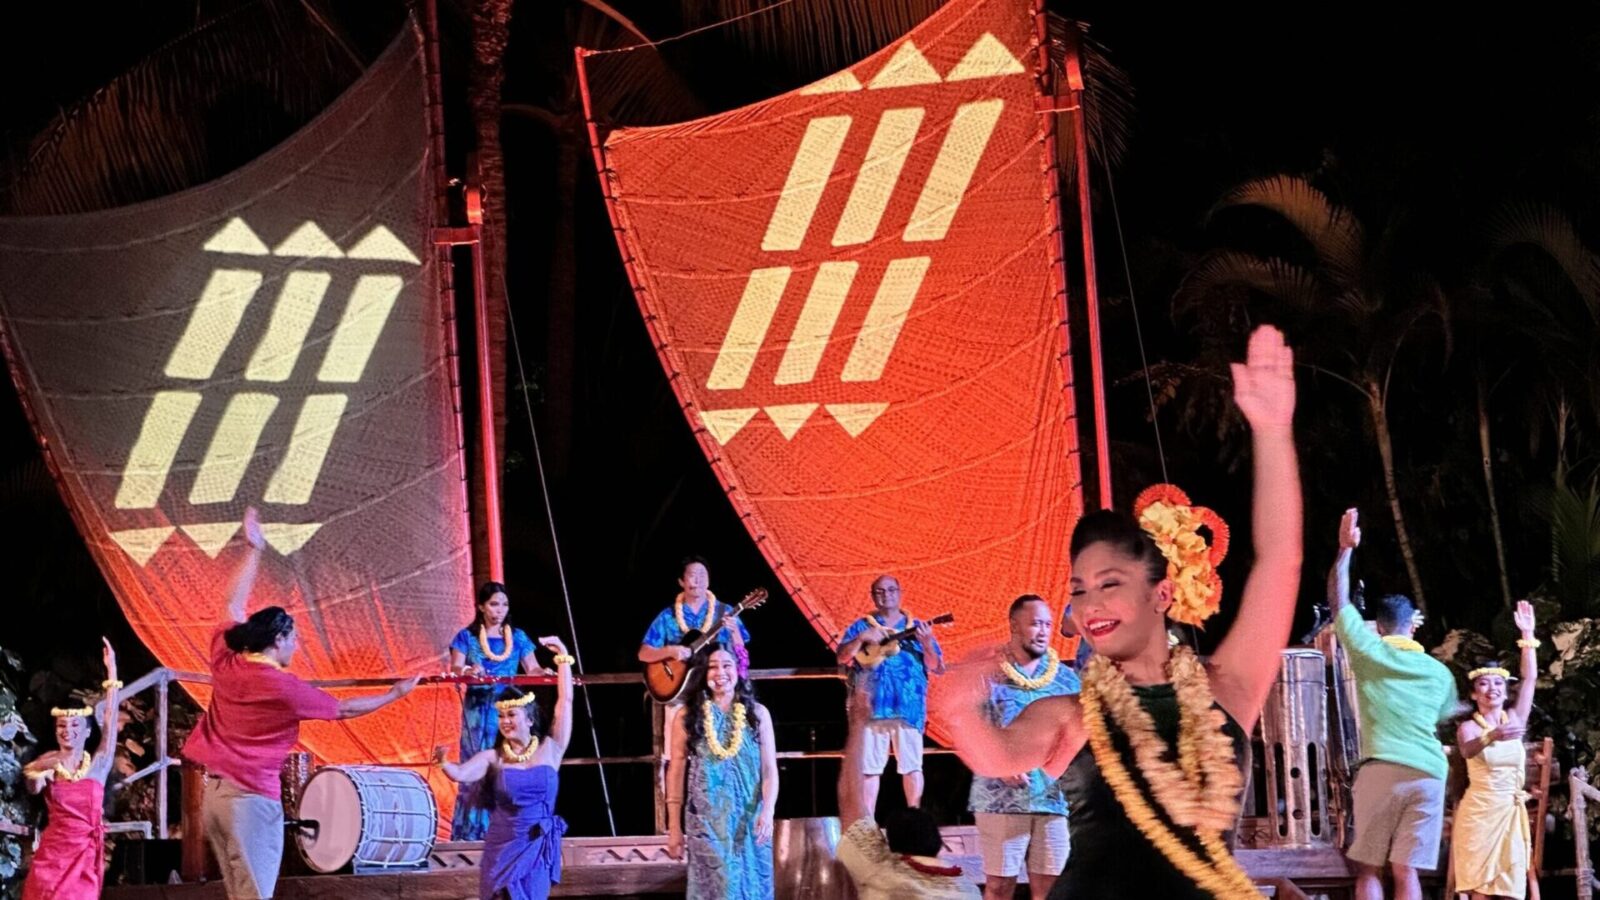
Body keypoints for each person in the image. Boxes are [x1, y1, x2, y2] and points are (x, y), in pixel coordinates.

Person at [937, 325, 1302, 899]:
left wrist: (1274, 430)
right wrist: (960, 710)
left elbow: (1280, 561)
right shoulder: (1072, 712)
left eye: (1110, 583)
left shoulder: (1229, 688)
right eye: (1079, 589)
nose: (1089, 604)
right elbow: (997, 754)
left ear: (1162, 594)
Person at [181, 507, 420, 900]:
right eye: (294, 638)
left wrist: (252, 549)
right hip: (250, 800)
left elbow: (230, 607)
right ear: (277, 640)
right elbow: (343, 709)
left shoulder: (227, 661)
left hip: (215, 801)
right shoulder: (283, 687)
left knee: (239, 894)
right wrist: (395, 694)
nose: (297, 644)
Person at [1330, 509, 1460, 900]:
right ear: (1411, 626)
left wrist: (1344, 551)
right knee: (1407, 871)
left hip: (1383, 768)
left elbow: (1338, 602)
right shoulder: (1439, 673)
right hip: (1428, 774)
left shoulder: (1369, 652)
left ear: (1379, 626)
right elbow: (1445, 715)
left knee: (1369, 868)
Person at [437, 636, 575, 900]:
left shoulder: (552, 748)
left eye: (511, 715)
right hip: (502, 849)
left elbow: (565, 701)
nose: (505, 721)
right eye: (501, 716)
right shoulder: (494, 757)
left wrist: (563, 656)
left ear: (529, 718)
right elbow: (461, 774)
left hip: (535, 845)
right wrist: (443, 762)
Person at [968, 596, 1080, 900]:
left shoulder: (1067, 680)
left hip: (1053, 800)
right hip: (1000, 800)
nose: (1043, 631)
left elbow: (1078, 735)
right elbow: (971, 731)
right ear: (1014, 626)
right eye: (1035, 624)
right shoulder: (988, 674)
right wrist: (999, 764)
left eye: (1046, 624)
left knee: (1052, 889)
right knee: (1000, 888)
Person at [837, 668, 981, 899]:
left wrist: (857, 724)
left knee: (908, 767)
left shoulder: (880, 874)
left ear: (890, 846)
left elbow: (848, 798)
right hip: (885, 710)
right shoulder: (967, 891)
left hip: (902, 710)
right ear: (937, 843)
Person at [665, 644, 778, 900]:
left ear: (738, 669)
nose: (720, 673)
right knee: (723, 886)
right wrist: (673, 827)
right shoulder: (687, 717)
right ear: (703, 674)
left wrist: (768, 810)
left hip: (750, 819)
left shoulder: (758, 714)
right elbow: (676, 770)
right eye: (712, 667)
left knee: (754, 887)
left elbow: (769, 769)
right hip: (707, 821)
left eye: (726, 665)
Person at [1451, 601, 1540, 900]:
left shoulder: (1515, 719)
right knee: (1482, 893)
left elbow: (1529, 679)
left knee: (1510, 890)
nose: (1493, 689)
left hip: (1510, 812)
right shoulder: (1470, 727)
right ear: (1475, 694)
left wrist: (1527, 636)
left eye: (1499, 683)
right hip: (1479, 815)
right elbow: (1466, 750)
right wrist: (1494, 736)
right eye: (1485, 685)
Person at [834, 574, 944, 811]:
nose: (886, 595)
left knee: (912, 766)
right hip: (872, 704)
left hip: (908, 706)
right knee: (870, 769)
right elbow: (842, 656)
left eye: (891, 590)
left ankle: (915, 817)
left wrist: (926, 643)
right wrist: (862, 638)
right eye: (880, 591)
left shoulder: (916, 627)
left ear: (900, 593)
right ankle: (868, 824)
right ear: (873, 596)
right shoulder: (861, 626)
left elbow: (937, 666)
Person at [21, 638, 119, 900]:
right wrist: (39, 768)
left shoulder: (98, 764)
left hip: (84, 857)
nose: (68, 732)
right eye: (62, 726)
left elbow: (110, 721)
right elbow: (33, 787)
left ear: (87, 731)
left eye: (75, 727)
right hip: (53, 856)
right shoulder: (49, 762)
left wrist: (112, 672)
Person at [638, 557, 751, 783]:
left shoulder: (725, 612)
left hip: (715, 694)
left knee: (716, 753)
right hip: (679, 695)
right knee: (674, 756)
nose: (697, 580)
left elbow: (741, 652)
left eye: (702, 575)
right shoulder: (669, 616)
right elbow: (644, 653)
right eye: (691, 575)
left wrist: (734, 632)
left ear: (708, 580)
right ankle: (672, 804)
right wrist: (669, 651)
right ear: (681, 581)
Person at [448, 581, 545, 840]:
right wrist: (468, 670)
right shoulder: (466, 637)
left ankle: (506, 829)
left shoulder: (518, 637)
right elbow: (455, 668)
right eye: (493, 604)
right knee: (475, 765)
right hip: (479, 711)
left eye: (504, 604)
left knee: (507, 765)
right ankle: (469, 834)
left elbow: (532, 668)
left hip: (509, 709)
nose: (499, 609)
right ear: (481, 606)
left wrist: (547, 670)